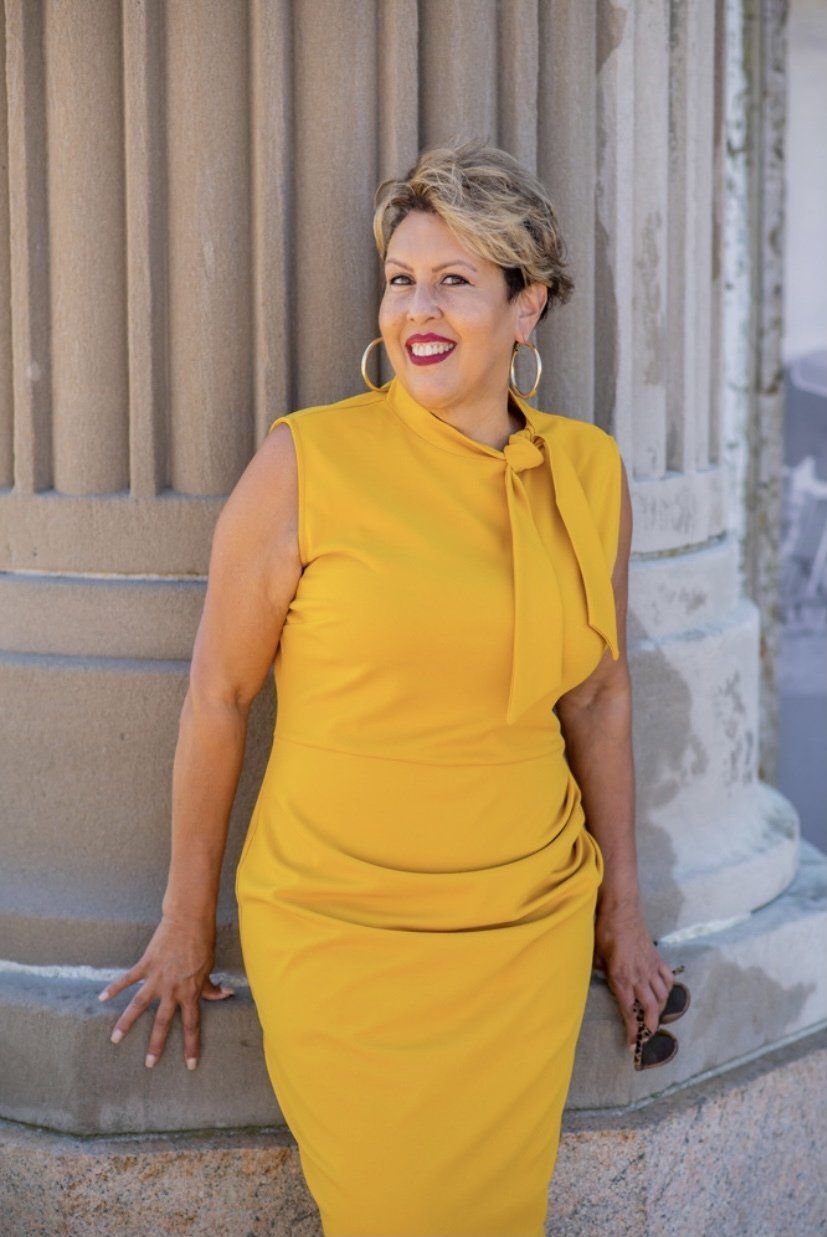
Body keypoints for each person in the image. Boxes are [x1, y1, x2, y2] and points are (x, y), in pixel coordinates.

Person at [98, 139, 680, 1236]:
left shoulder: (588, 472)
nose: (418, 306)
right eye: (402, 277)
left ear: (527, 306)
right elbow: (218, 698)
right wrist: (185, 921)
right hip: (341, 920)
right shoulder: (303, 464)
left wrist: (623, 911)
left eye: (456, 280)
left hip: (522, 920)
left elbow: (596, 696)